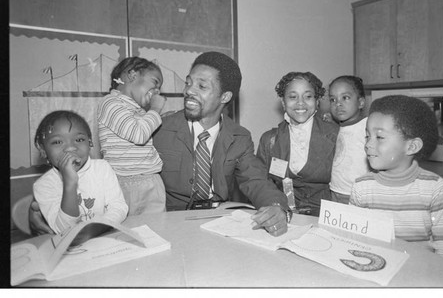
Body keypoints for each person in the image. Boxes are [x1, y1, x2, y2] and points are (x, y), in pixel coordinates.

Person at [153, 51, 292, 236]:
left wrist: (277, 208)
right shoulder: (158, 130)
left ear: (224, 97)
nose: (188, 91)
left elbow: (256, 180)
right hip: (169, 225)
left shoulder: (239, 137)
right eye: (188, 83)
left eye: (202, 86)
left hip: (216, 224)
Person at [350, 95, 443, 262]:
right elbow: (354, 239)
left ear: (411, 146)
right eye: (367, 136)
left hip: (420, 274)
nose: (368, 144)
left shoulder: (436, 189)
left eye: (379, 137)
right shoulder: (361, 187)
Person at [32, 110, 128, 242]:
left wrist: (98, 228)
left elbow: (119, 207)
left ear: (90, 143)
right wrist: (69, 183)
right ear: (42, 149)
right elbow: (65, 230)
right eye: (57, 142)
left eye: (79, 139)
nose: (71, 148)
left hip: (105, 237)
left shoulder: (102, 168)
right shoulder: (43, 185)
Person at [256, 72, 339, 217]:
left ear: (317, 101)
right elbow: (261, 184)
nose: (300, 103)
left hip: (328, 217)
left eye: (308, 96)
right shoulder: (269, 140)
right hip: (284, 216)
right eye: (293, 97)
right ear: (283, 102)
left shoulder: (335, 135)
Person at [97, 57, 168, 215]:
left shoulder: (139, 111)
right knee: (124, 233)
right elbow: (138, 134)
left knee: (158, 230)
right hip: (122, 182)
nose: (157, 91)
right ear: (132, 75)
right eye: (155, 82)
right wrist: (155, 109)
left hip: (151, 180)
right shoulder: (110, 103)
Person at [327, 75, 370, 204]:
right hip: (335, 191)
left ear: (361, 102)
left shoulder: (368, 126)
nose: (338, 104)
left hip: (358, 195)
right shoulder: (337, 127)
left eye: (345, 98)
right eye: (333, 99)